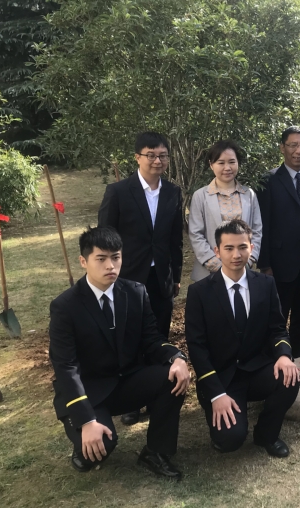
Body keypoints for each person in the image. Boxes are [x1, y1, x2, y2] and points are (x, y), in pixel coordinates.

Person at [48, 227, 190, 478]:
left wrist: (176, 358)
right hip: (88, 390)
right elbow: (65, 367)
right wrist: (86, 421)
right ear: (83, 261)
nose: (110, 265)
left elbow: (152, 340)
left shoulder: (135, 292)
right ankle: (83, 442)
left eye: (116, 257)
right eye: (101, 259)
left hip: (125, 381)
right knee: (100, 447)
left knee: (172, 377)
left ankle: (156, 452)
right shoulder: (65, 306)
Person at [184, 219, 300, 457]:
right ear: (217, 251)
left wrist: (284, 355)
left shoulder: (266, 284)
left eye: (242, 247)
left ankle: (266, 435)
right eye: (228, 248)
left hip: (256, 369)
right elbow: (197, 347)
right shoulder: (199, 293)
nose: (236, 255)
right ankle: (224, 415)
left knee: (290, 377)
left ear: (251, 248)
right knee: (230, 440)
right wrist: (216, 394)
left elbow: (277, 328)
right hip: (221, 378)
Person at [98, 131, 184, 426]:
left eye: (162, 155)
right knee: (129, 335)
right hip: (128, 276)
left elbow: (175, 239)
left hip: (161, 276)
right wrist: (107, 274)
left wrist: (175, 275)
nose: (157, 161)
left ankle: (156, 390)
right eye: (151, 155)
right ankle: (132, 399)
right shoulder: (119, 191)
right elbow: (105, 237)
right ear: (138, 157)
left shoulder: (173, 192)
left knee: (159, 333)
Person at [257, 126, 300, 358]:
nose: (299, 150)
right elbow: (263, 223)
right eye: (293, 145)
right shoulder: (268, 180)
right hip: (280, 260)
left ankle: (298, 351)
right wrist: (265, 263)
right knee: (278, 312)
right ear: (282, 148)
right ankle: (275, 356)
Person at [188, 140, 263, 281]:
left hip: (243, 269)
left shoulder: (249, 194)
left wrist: (249, 259)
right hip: (209, 272)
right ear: (211, 165)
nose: (227, 167)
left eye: (232, 162)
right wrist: (216, 265)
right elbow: (196, 234)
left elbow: (257, 230)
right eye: (221, 163)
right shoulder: (200, 196)